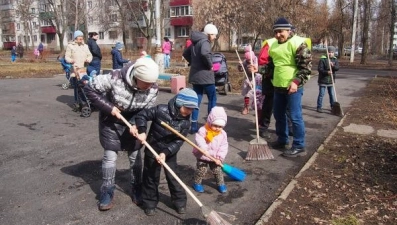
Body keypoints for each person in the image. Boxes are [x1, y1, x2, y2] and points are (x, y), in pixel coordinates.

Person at [84, 57, 160, 211]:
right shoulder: (115, 77)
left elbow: (146, 112)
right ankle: (107, 191)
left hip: (133, 121)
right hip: (111, 120)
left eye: (152, 83)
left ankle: (136, 188)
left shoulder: (152, 88)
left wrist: (139, 127)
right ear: (137, 77)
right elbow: (89, 88)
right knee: (110, 157)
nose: (149, 87)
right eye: (146, 83)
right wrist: (109, 107)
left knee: (135, 157)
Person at [133, 88, 199, 216]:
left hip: (169, 152)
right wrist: (142, 131)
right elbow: (142, 115)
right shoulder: (160, 110)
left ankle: (180, 202)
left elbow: (179, 141)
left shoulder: (185, 123)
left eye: (192, 109)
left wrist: (165, 152)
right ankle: (150, 203)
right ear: (180, 103)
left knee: (174, 177)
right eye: (188, 108)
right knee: (151, 177)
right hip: (152, 148)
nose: (190, 111)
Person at [265, 17, 312, 157]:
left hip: (293, 87)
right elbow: (271, 67)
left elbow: (306, 68)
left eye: (281, 31)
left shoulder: (298, 44)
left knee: (295, 116)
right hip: (278, 86)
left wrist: (296, 82)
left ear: (289, 30)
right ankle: (282, 139)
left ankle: (299, 144)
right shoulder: (273, 46)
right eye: (275, 32)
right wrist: (257, 69)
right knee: (278, 114)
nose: (278, 35)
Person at [182, 23, 218, 134]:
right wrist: (210, 65)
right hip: (206, 76)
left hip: (195, 76)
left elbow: (185, 53)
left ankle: (193, 125)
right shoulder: (205, 42)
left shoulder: (195, 42)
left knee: (196, 100)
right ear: (209, 34)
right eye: (214, 35)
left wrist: (193, 63)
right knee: (212, 98)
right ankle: (211, 124)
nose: (215, 37)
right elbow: (204, 53)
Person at [192, 106, 229, 194]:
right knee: (201, 169)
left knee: (218, 170)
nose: (217, 128)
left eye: (220, 126)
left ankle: (221, 184)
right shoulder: (203, 130)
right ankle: (196, 183)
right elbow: (199, 139)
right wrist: (203, 148)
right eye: (215, 125)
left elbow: (224, 146)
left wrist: (220, 158)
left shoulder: (223, 134)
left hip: (215, 157)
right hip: (202, 155)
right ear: (210, 122)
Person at [65, 30, 93, 107]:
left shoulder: (85, 46)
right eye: (79, 37)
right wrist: (71, 60)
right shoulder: (70, 46)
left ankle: (84, 101)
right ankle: (77, 101)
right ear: (76, 38)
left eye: (82, 37)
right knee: (77, 86)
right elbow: (67, 57)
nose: (81, 38)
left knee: (84, 85)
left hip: (83, 69)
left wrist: (88, 59)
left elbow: (90, 55)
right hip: (75, 69)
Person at [239, 46, 262, 118]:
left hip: (256, 79)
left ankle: (259, 110)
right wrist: (240, 65)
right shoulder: (245, 61)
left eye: (250, 59)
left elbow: (258, 69)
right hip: (248, 79)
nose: (249, 61)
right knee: (246, 95)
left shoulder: (256, 60)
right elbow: (240, 70)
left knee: (255, 95)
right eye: (248, 60)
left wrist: (254, 68)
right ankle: (246, 107)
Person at [317, 46, 339, 113]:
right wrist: (327, 72)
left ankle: (333, 107)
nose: (330, 53)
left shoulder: (335, 59)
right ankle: (319, 107)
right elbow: (320, 69)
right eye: (329, 52)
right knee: (321, 94)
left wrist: (333, 66)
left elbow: (337, 68)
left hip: (331, 80)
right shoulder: (323, 59)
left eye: (332, 52)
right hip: (323, 80)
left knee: (331, 94)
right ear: (327, 52)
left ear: (334, 53)